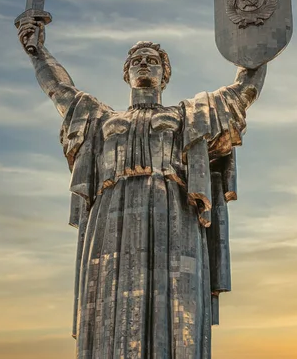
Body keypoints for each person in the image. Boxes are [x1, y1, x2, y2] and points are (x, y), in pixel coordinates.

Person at [17, 20, 267, 359]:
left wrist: (257, 47)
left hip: (173, 210)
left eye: (152, 60)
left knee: (177, 296)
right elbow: (59, 90)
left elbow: (243, 93)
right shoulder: (99, 118)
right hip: (111, 215)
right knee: (109, 298)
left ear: (165, 75)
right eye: (137, 60)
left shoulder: (187, 115)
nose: (144, 63)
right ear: (126, 74)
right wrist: (37, 52)